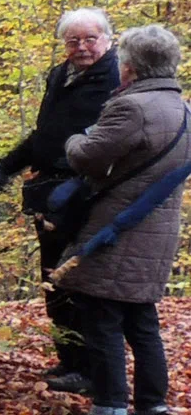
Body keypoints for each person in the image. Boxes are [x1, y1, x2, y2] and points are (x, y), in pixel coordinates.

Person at [0, 8, 119, 391]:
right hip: (49, 195)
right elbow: (44, 136)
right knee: (54, 281)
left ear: (108, 39)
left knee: (79, 281)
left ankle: (89, 370)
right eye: (73, 41)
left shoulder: (117, 79)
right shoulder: (60, 76)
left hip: (87, 195)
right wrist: (3, 169)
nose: (81, 47)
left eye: (90, 39)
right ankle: (69, 361)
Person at [54, 24, 189, 415]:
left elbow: (86, 156)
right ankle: (152, 404)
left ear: (129, 67)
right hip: (158, 230)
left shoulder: (132, 107)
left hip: (116, 230)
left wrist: (74, 138)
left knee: (102, 322)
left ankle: (110, 404)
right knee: (143, 324)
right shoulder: (183, 110)